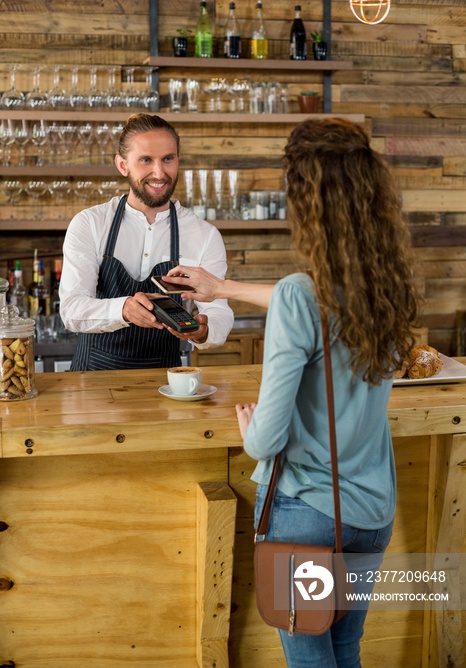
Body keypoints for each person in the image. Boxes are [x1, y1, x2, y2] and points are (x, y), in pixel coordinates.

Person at [165, 118, 420, 667]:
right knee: (344, 651)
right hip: (372, 511)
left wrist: (248, 428)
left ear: (306, 203)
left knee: (309, 659)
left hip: (307, 513)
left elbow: (264, 439)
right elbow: (309, 303)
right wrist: (226, 288)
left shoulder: (298, 296)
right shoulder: (387, 287)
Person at [60, 113, 234, 371]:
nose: (159, 172)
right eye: (145, 160)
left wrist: (204, 332)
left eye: (168, 159)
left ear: (178, 160)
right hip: (92, 383)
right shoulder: (90, 224)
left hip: (165, 383)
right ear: (122, 165)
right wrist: (124, 309)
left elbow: (219, 310)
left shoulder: (204, 235)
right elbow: (71, 310)